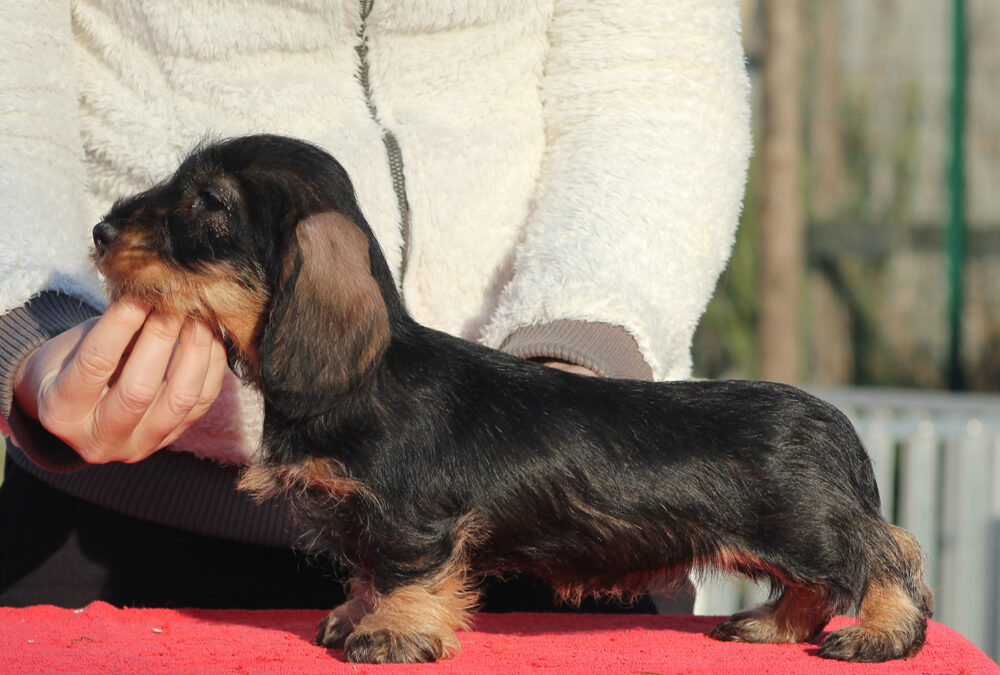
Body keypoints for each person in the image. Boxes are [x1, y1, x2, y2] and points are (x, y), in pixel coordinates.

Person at [0, 1, 751, 610]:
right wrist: (27, 326)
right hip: (119, 522)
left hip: (549, 492)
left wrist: (586, 347)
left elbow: (654, 81)